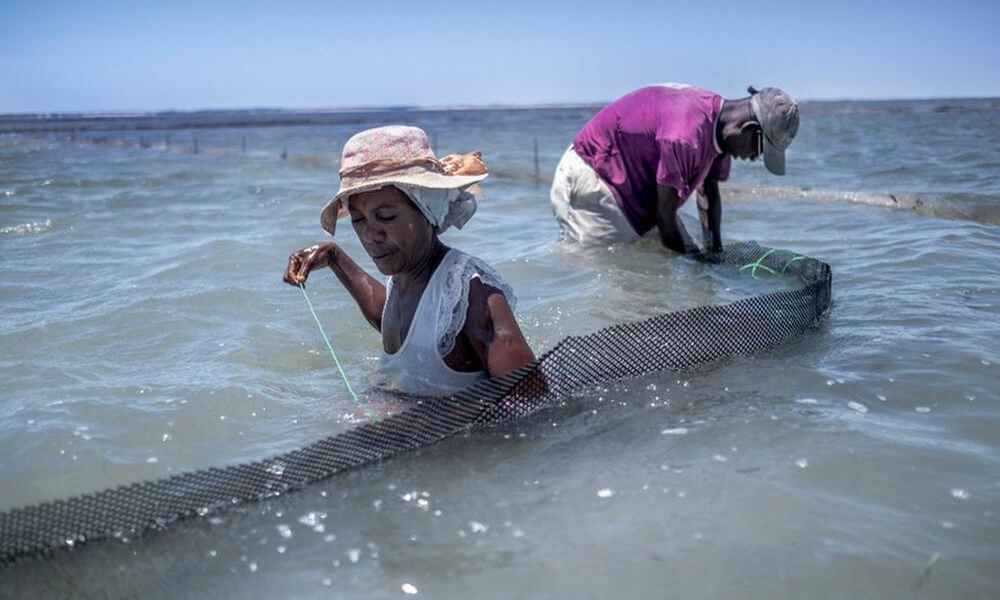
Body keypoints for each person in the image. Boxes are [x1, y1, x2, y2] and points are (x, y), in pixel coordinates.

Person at [283, 125, 536, 397]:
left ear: (428, 210)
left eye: (387, 217)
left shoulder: (471, 295)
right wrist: (335, 258)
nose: (370, 235)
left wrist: (417, 420)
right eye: (358, 220)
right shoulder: (404, 277)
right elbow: (394, 321)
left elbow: (529, 398)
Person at [550, 83, 800, 254]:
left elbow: (708, 194)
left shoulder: (721, 129)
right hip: (594, 177)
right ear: (748, 130)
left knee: (656, 265)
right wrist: (691, 275)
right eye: (759, 150)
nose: (754, 158)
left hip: (633, 189)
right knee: (608, 270)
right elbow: (664, 215)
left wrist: (714, 254)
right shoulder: (685, 135)